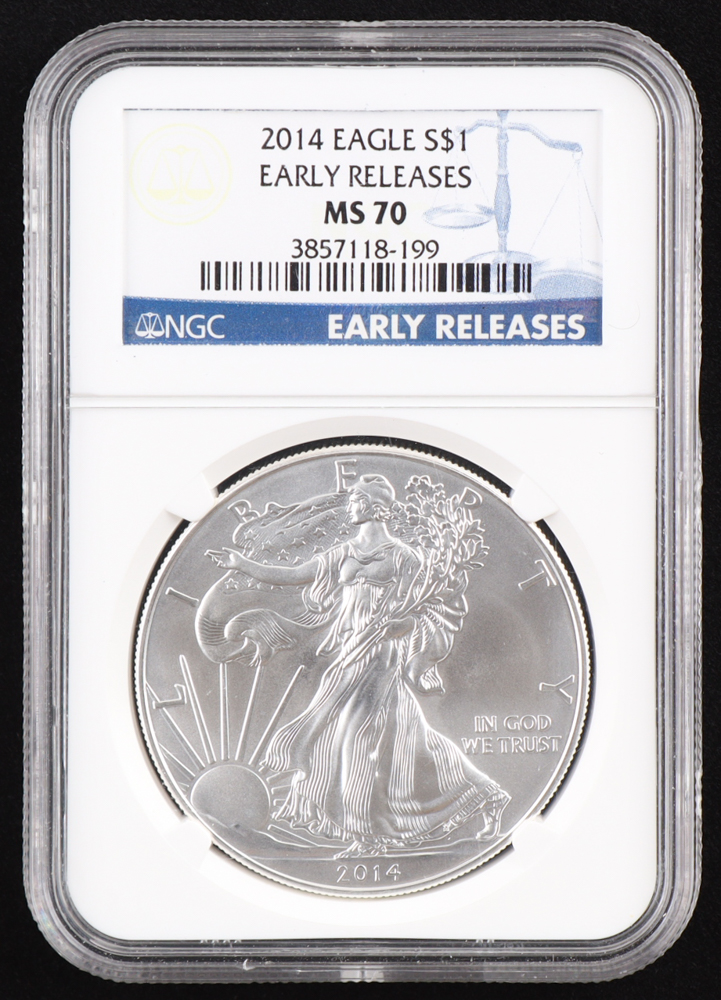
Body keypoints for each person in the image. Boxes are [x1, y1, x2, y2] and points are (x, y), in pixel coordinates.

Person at [206, 474, 509, 856]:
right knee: (404, 736)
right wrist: (243, 564)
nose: (349, 506)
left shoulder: (404, 557)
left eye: (355, 500)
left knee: (356, 735)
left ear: (373, 506)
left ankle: (367, 835)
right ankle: (484, 795)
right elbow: (294, 576)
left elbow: (427, 610)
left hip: (380, 653)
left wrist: (404, 625)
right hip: (349, 649)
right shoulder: (342, 553)